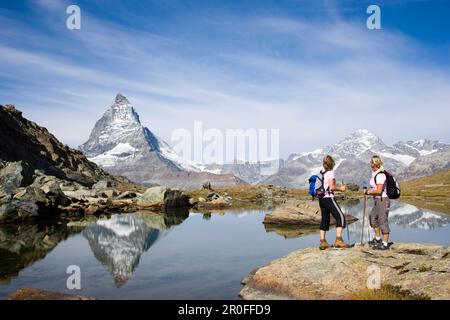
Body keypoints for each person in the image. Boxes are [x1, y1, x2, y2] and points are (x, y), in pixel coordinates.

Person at [319, 155, 349, 250]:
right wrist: (341, 188)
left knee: (325, 219)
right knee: (340, 217)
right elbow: (331, 187)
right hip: (329, 198)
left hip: (321, 199)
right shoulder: (330, 173)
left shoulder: (321, 173)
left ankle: (323, 242)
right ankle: (338, 240)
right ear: (332, 164)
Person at [365, 155, 391, 250]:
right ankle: (378, 238)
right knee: (373, 218)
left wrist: (368, 192)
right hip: (377, 200)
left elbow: (379, 190)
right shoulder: (374, 173)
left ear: (374, 163)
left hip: (382, 200)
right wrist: (370, 191)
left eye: (370, 161)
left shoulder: (380, 175)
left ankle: (385, 244)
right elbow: (375, 188)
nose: (369, 163)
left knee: (382, 220)